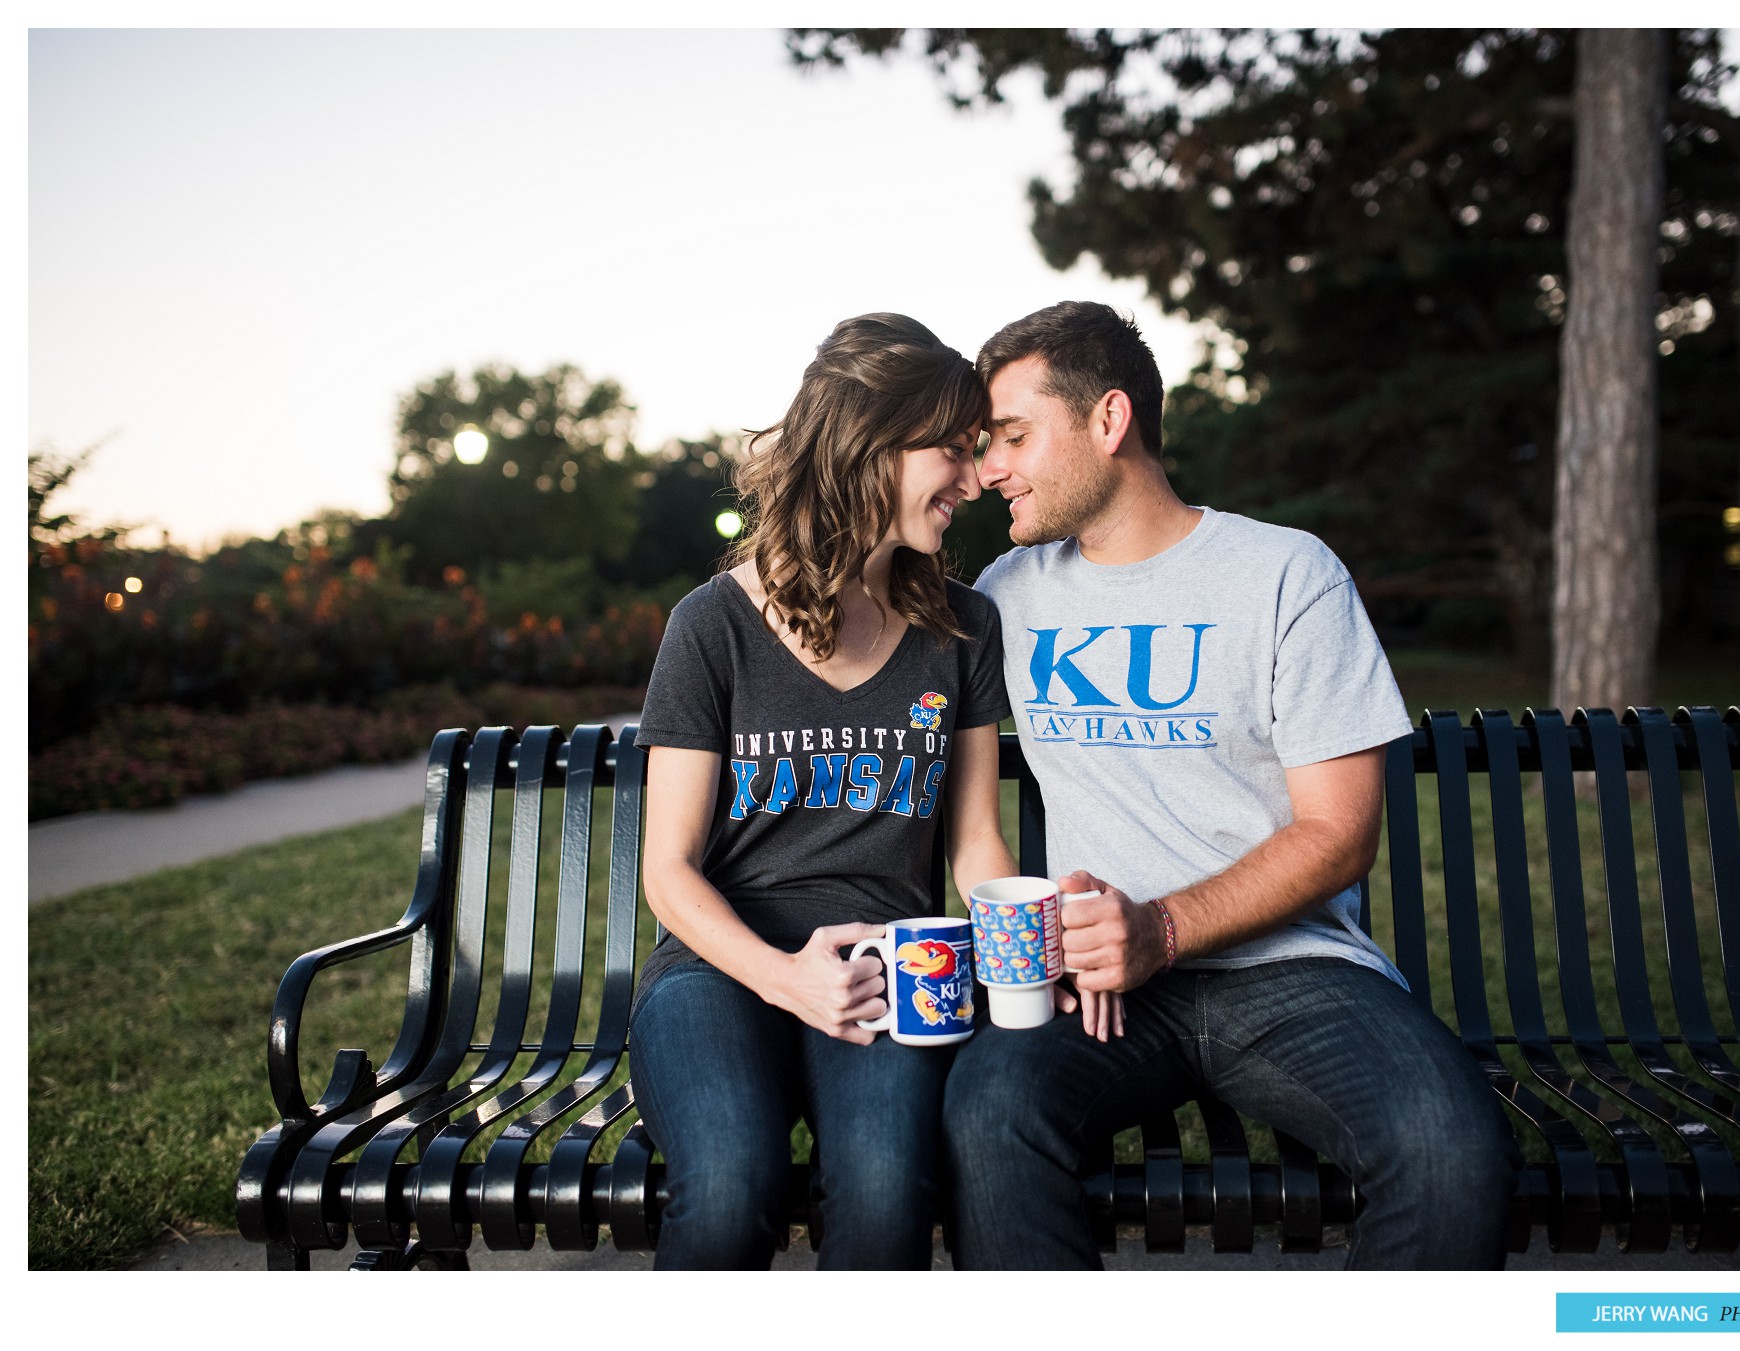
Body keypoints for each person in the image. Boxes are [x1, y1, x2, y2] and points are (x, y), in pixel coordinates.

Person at [943, 300, 1520, 1270]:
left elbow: (1337, 833)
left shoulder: (1285, 574)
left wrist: (1160, 927)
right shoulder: (1008, 592)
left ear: (1109, 420)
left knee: (1450, 1153)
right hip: (1098, 993)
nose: (990, 468)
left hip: (1291, 972)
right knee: (988, 1119)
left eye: (1011, 436)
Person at [629, 313, 1025, 1269]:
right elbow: (670, 870)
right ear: (867, 445)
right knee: (730, 1186)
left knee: (889, 1195)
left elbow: (973, 844)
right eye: (952, 451)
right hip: (717, 968)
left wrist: (1023, 956)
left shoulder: (961, 626)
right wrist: (786, 977)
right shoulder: (711, 625)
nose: (974, 481)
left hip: (893, 972)